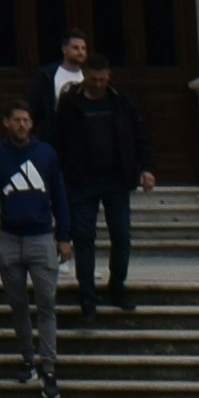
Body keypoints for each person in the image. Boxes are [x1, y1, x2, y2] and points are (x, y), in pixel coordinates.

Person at [0, 95, 72, 398]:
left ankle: (48, 366)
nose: (22, 125)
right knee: (18, 305)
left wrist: (65, 237)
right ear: (6, 123)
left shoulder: (46, 154)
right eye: (17, 120)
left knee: (47, 303)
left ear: (32, 124)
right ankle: (28, 358)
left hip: (41, 238)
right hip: (10, 238)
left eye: (26, 120)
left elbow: (59, 196)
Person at [64, 68, 155, 317]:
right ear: (86, 78)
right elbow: (60, 140)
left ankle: (117, 287)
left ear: (109, 77)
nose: (98, 84)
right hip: (82, 181)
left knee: (122, 236)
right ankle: (87, 296)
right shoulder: (71, 104)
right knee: (83, 237)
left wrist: (146, 168)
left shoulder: (121, 101)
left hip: (116, 179)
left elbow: (139, 135)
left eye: (103, 80)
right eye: (94, 80)